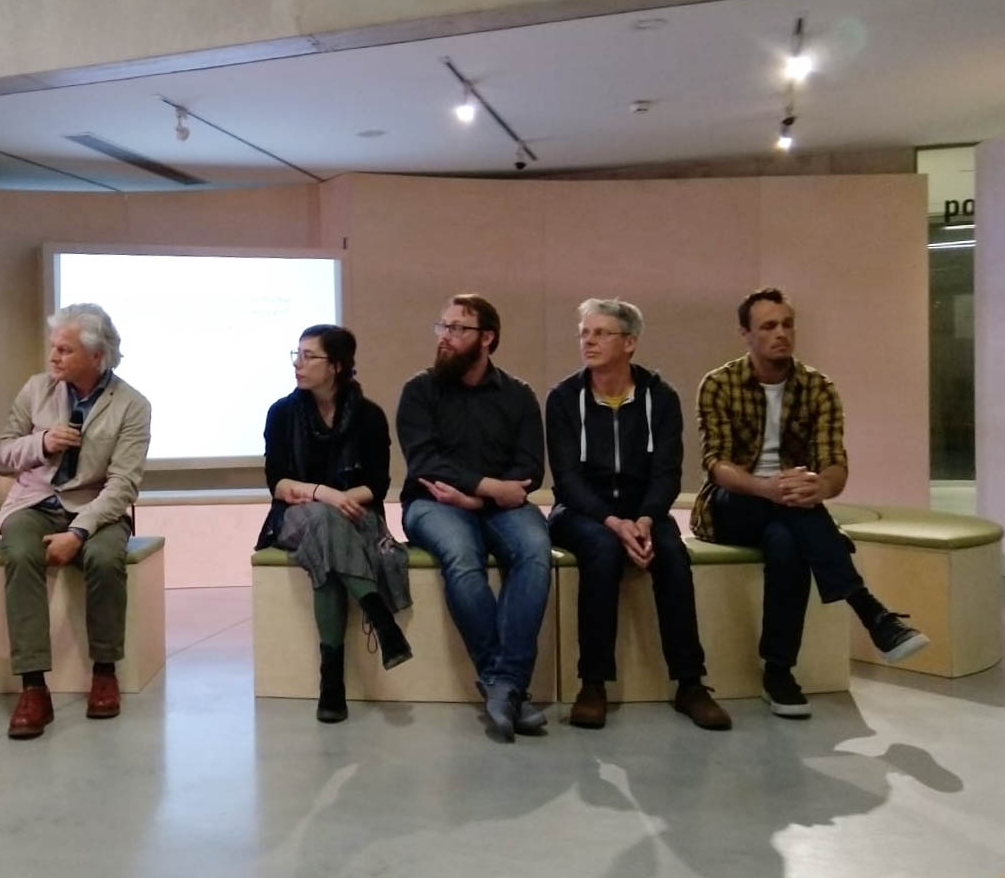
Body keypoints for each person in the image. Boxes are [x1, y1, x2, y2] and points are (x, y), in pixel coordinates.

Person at [693, 288, 928, 718]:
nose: (781, 333)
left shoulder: (818, 388)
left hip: (796, 506)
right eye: (769, 326)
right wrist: (768, 488)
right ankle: (869, 611)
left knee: (786, 542)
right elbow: (716, 464)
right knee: (789, 511)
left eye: (787, 324)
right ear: (746, 334)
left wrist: (821, 488)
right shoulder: (719, 383)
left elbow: (835, 465)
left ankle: (778, 673)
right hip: (733, 503)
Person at [545, 299, 730, 731]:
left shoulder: (659, 397)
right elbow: (567, 478)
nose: (588, 341)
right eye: (584, 333)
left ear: (629, 343)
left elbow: (667, 471)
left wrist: (646, 519)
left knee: (672, 554)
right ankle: (593, 683)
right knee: (602, 552)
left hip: (643, 511)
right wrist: (612, 522)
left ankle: (690, 683)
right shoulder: (563, 398)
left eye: (600, 333)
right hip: (580, 511)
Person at [397, 294, 552, 742]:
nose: (445, 337)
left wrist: (479, 501)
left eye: (458, 328)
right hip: (433, 502)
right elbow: (425, 463)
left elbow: (528, 469)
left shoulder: (518, 395)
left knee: (535, 551)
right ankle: (506, 684)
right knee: (462, 558)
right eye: (442, 327)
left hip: (498, 504)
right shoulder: (419, 391)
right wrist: (484, 489)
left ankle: (503, 686)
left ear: (487, 338)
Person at [0, 303, 151, 740]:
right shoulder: (36, 389)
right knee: (21, 551)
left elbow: (123, 484)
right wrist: (42, 443)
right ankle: (32, 687)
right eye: (53, 347)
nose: (54, 357)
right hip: (35, 502)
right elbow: (3, 452)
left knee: (103, 559)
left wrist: (78, 531)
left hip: (97, 509)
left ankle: (104, 672)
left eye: (64, 350)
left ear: (96, 356)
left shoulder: (133, 405)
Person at [257, 324, 410, 724]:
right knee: (323, 521)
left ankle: (332, 683)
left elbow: (377, 484)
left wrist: (342, 500)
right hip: (295, 517)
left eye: (310, 356)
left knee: (326, 547)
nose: (299, 364)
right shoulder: (283, 413)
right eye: (297, 354)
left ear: (338, 366)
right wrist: (326, 494)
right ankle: (379, 616)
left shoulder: (369, 416)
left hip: (356, 516)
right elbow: (278, 484)